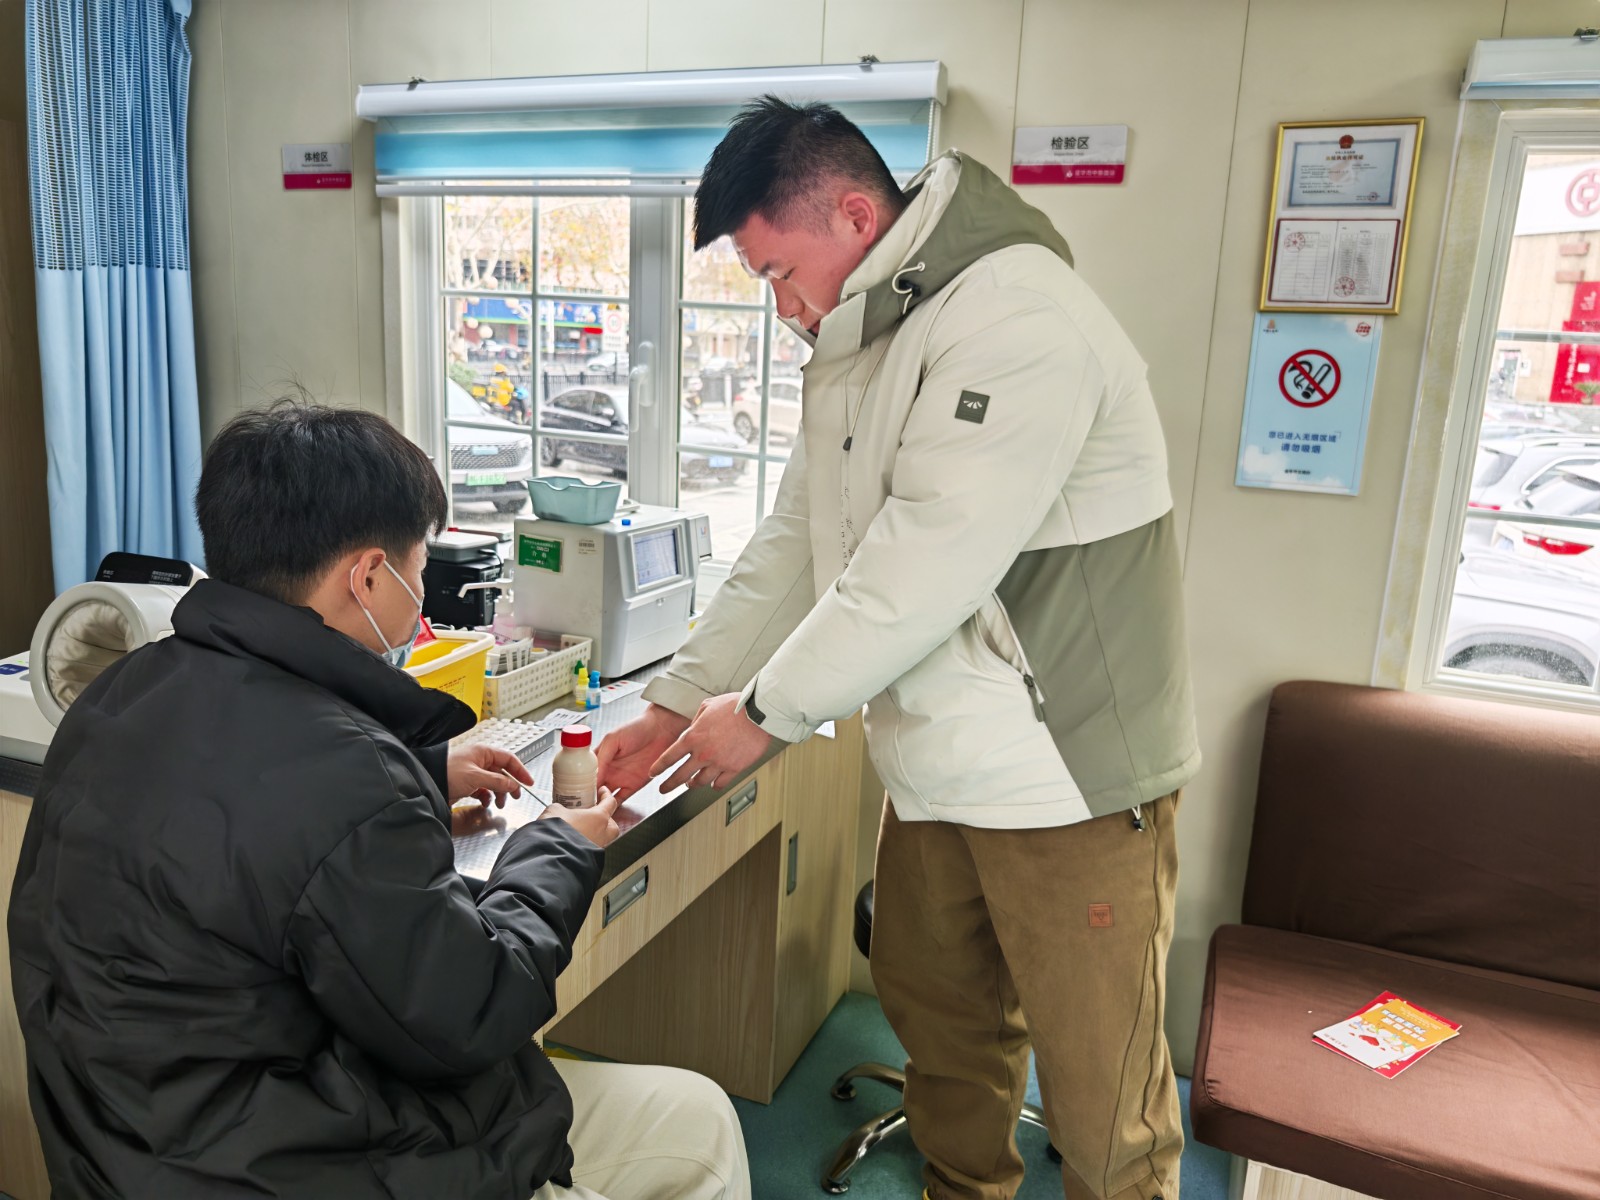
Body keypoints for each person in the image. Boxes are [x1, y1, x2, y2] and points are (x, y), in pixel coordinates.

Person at [599, 99, 1198, 1200]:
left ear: (855, 215)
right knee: (943, 1037)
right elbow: (795, 542)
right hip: (935, 769)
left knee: (1103, 1105)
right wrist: (679, 698)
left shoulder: (1017, 316)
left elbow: (925, 562)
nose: (781, 306)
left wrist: (765, 714)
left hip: (1065, 775)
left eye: (780, 272)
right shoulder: (864, 337)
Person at [8, 403, 750, 1200]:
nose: (421, 592)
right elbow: (474, 1012)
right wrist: (560, 842)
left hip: (132, 1151)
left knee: (689, 1118)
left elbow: (241, 812)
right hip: (307, 1166)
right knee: (699, 1123)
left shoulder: (121, 691)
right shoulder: (343, 776)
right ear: (367, 577)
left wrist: (419, 770)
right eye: (418, 565)